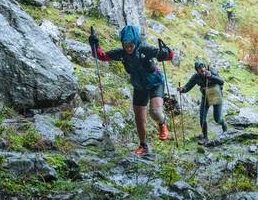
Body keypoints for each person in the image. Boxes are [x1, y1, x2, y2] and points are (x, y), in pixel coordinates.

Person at [89, 25, 174, 155]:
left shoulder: (145, 49)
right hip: (139, 87)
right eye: (125, 44)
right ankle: (143, 146)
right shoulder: (121, 53)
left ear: (136, 42)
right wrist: (94, 45)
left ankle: (162, 124)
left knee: (155, 112)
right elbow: (102, 56)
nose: (128, 48)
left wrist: (166, 52)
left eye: (131, 45)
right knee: (139, 119)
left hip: (155, 83)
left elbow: (168, 56)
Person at [179, 61, 226, 144]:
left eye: (203, 67)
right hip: (206, 98)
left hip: (216, 95)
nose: (202, 69)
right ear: (197, 70)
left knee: (217, 119)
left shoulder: (211, 71)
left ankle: (223, 124)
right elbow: (188, 87)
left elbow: (221, 82)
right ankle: (205, 137)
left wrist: (211, 76)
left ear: (205, 67)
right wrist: (182, 90)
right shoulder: (196, 77)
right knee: (202, 117)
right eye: (199, 68)